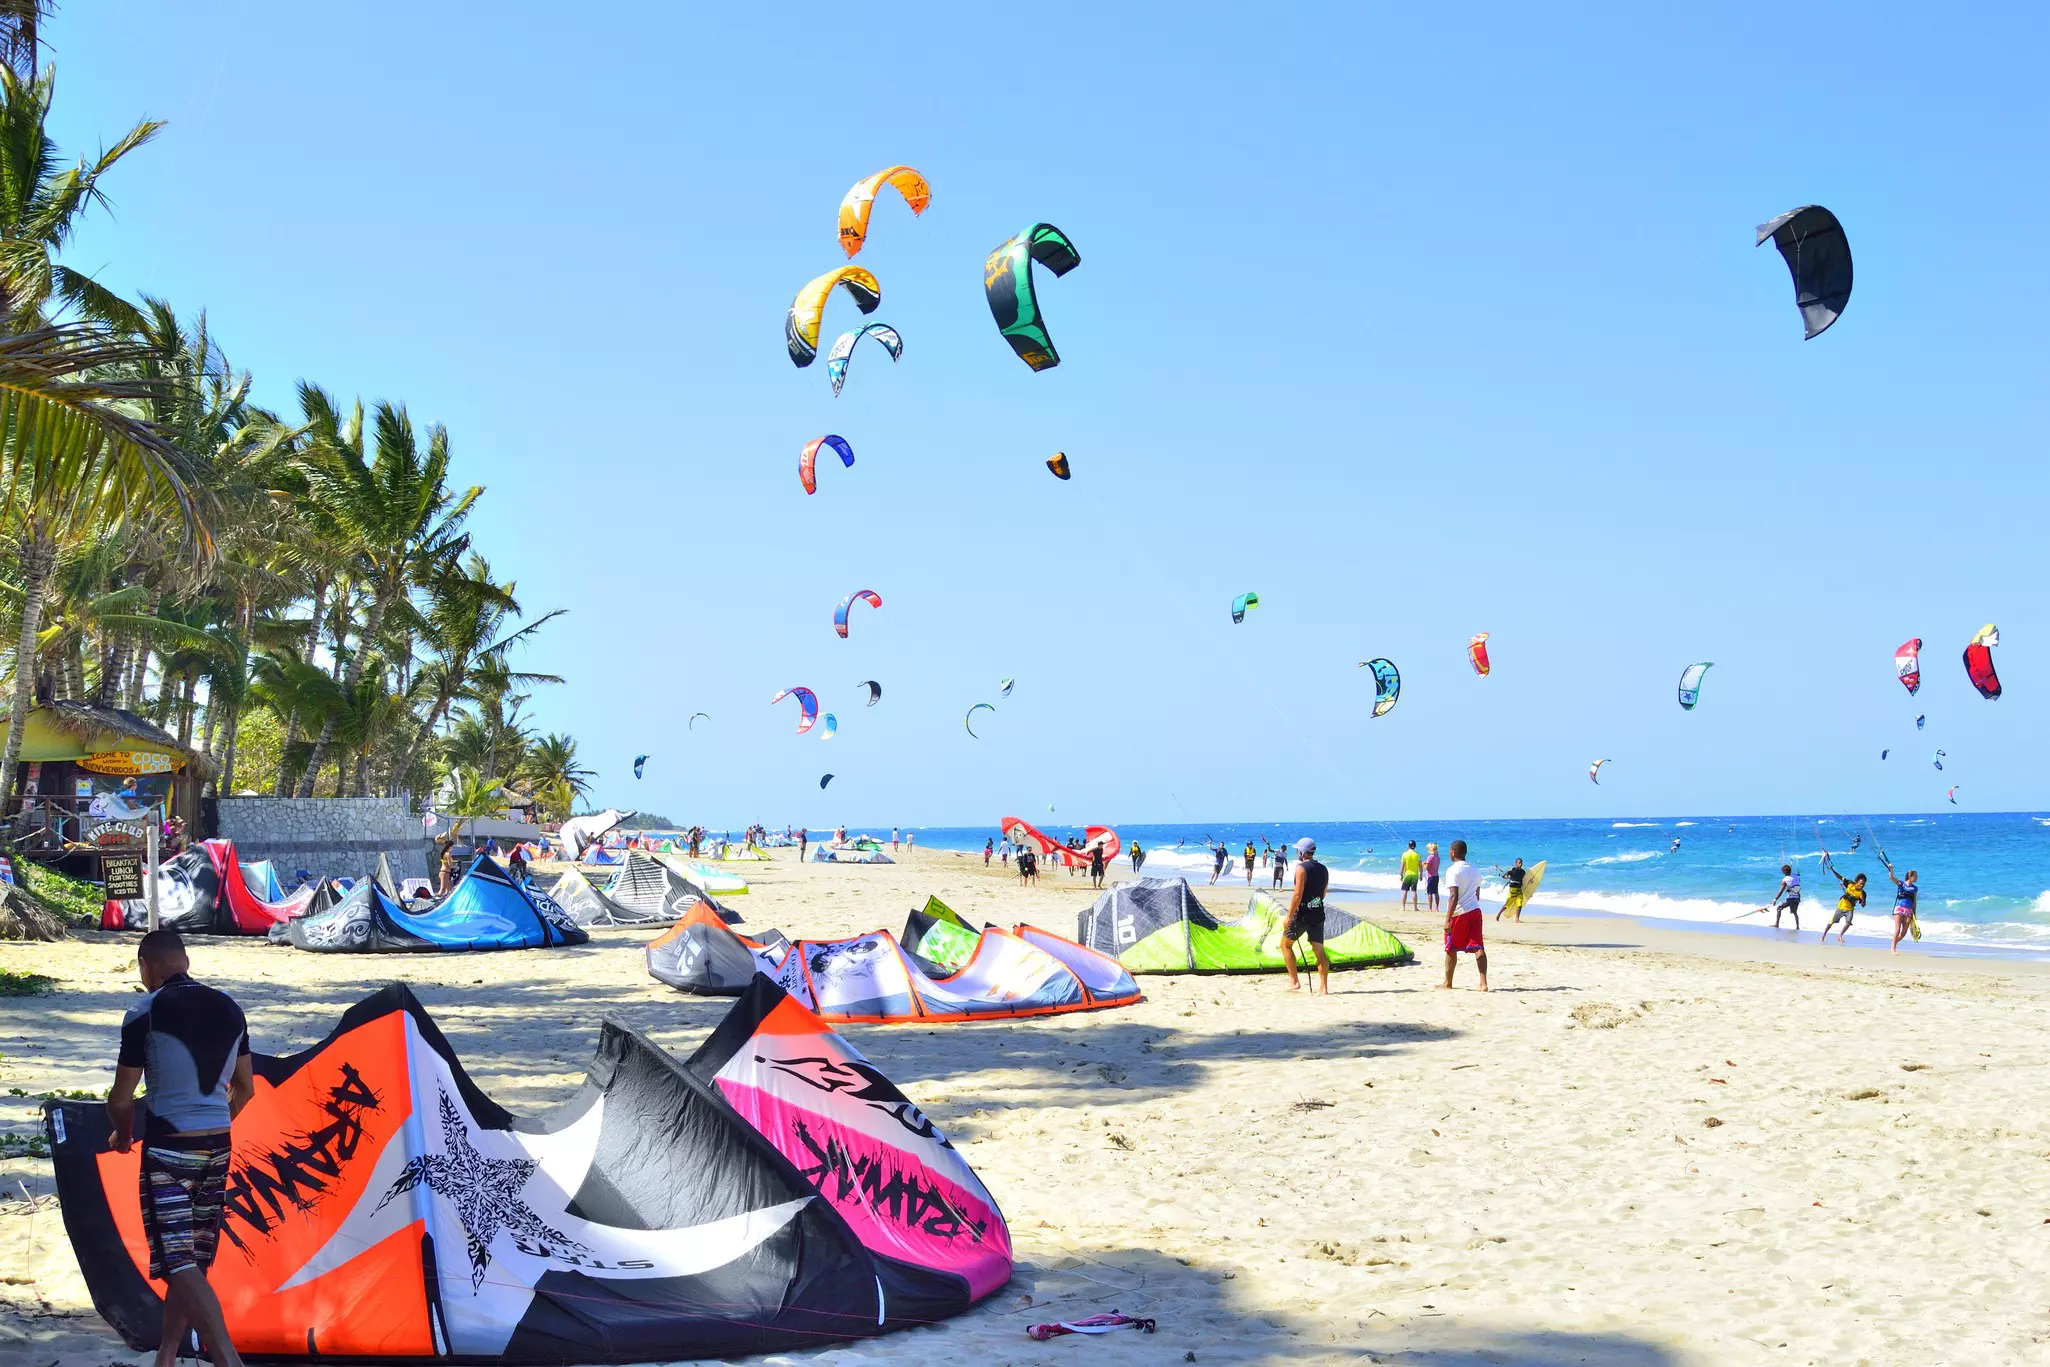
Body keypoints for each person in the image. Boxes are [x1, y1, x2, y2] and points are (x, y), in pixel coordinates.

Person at [106, 930, 253, 1367]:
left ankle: (228, 1358)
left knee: (176, 1260)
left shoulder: (144, 1012)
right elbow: (245, 1089)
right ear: (185, 961)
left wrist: (122, 1133)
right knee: (192, 1259)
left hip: (169, 1150)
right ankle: (168, 1354)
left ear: (144, 966)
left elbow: (119, 1099)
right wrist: (213, 1125)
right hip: (218, 1146)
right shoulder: (230, 1007)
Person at [1282, 837, 1332, 993]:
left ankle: (1294, 981)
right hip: (1318, 912)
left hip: (1302, 914)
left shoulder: (1301, 868)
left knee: (1285, 945)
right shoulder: (1323, 869)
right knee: (1319, 950)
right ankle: (1323, 987)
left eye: (1298, 850)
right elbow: (1323, 893)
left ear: (1302, 852)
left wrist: (1289, 916)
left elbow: (1297, 894)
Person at [1441, 840, 1488, 990]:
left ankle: (1448, 983)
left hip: (1459, 913)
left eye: (1450, 851)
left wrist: (1448, 919)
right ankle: (1483, 983)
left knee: (1451, 948)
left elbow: (1453, 896)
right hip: (1475, 911)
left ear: (1453, 852)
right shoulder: (1475, 870)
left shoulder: (1453, 870)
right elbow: (1477, 894)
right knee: (1478, 946)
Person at [1880, 856, 1918, 954]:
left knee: (1904, 932)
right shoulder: (1901, 883)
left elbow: (1914, 901)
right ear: (1910, 876)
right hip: (1900, 908)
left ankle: (1893, 944)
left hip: (1909, 910)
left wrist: (1915, 914)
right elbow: (1891, 877)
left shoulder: (1915, 888)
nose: (1917, 878)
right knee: (1897, 929)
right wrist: (1891, 869)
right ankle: (1893, 949)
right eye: (1915, 876)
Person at [1821, 864, 1867, 944]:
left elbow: (1863, 906)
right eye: (1860, 883)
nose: (1861, 885)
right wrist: (1833, 870)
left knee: (1848, 922)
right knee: (1832, 921)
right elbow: (1840, 877)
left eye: (1863, 884)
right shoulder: (1850, 884)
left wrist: (1862, 900)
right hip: (1841, 906)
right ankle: (1824, 935)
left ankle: (1840, 935)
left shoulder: (1862, 893)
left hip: (1850, 909)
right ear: (1857, 882)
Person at [1495, 857, 1528, 922]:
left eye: (1521, 863)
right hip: (1512, 890)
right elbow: (1505, 875)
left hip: (1519, 890)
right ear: (1516, 863)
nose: (1520, 864)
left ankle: (1517, 919)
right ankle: (1498, 914)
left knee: (1519, 904)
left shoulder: (1523, 872)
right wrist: (1506, 876)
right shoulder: (1512, 870)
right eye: (1519, 863)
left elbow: (1525, 880)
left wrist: (1530, 883)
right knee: (1507, 904)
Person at [1770, 863, 1801, 929]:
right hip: (1797, 898)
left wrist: (1775, 899)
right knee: (1795, 912)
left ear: (1784, 872)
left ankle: (1776, 924)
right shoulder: (1797, 876)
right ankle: (1797, 927)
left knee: (1779, 908)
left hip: (1790, 899)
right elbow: (1796, 876)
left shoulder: (1785, 880)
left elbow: (1781, 891)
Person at [1399, 841, 1422, 911]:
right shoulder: (1417, 855)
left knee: (1405, 891)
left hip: (1407, 874)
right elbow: (1420, 866)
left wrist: (1401, 875)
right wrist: (1421, 874)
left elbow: (1402, 866)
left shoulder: (1404, 854)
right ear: (1415, 846)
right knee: (1414, 891)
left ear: (1408, 846)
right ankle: (1415, 907)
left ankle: (1403, 907)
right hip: (1415, 875)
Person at [1423, 842, 1442, 911]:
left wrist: (1423, 864)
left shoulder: (1430, 857)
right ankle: (1436, 908)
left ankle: (1430, 908)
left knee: (1430, 892)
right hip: (1436, 876)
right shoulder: (1437, 857)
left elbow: (1427, 867)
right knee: (1436, 892)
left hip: (1430, 876)